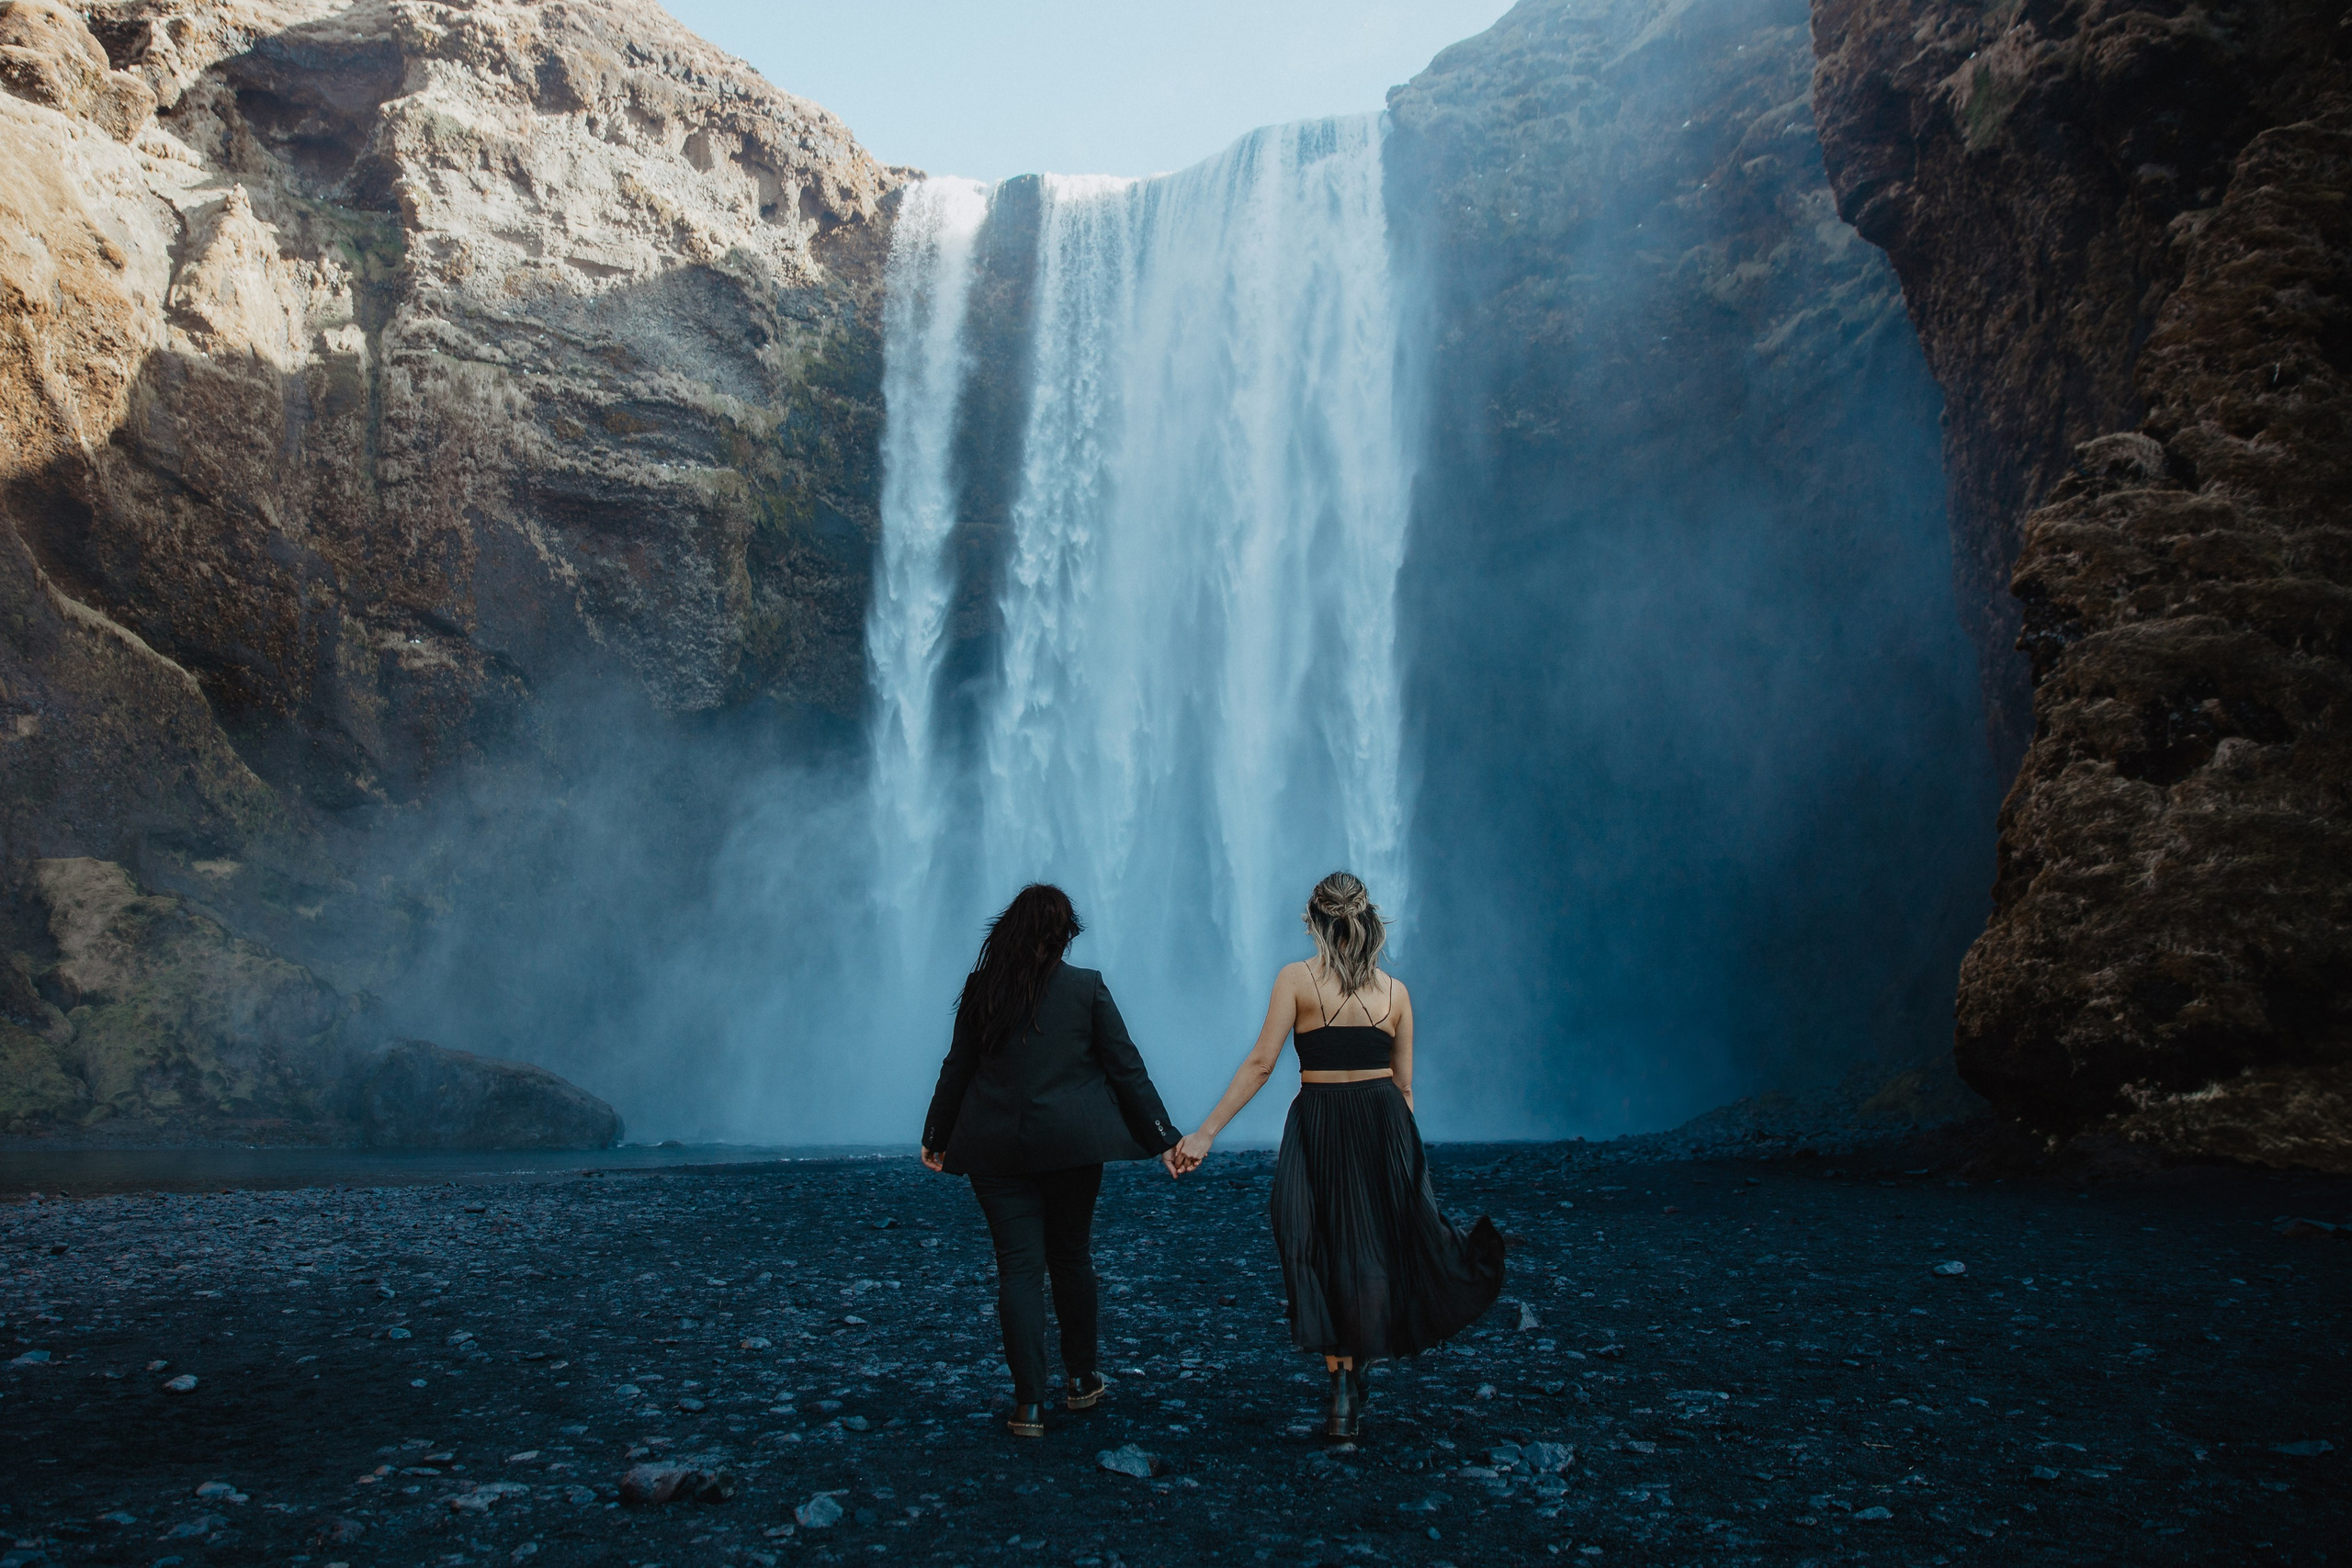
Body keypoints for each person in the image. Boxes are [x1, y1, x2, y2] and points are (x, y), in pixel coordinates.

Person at [1169, 871, 1504, 1438]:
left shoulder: (1296, 980)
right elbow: (1403, 1089)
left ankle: (1342, 1382)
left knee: (1311, 1238)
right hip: (1382, 1124)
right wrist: (1406, 1164)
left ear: (1314, 922)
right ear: (1368, 920)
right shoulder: (1396, 993)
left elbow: (1261, 1065)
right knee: (1373, 1242)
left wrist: (1205, 1133)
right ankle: (1358, 1365)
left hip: (1319, 1117)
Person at [920, 884, 1185, 1438]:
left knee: (1018, 1268)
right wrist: (1165, 1138)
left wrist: (936, 1135)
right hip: (1072, 1147)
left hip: (995, 1150)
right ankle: (1083, 1380)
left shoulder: (981, 988)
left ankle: (1028, 1406)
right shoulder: (1086, 989)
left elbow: (957, 1067)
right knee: (1070, 1258)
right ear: (1065, 935)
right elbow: (1126, 1070)